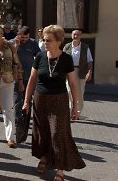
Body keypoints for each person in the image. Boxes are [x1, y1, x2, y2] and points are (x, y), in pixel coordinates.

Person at [22, 25, 86, 181]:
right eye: (43, 39)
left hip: (59, 101)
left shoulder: (66, 59)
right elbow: (31, 80)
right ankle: (43, 158)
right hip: (40, 99)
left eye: (48, 40)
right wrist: (26, 102)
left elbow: (72, 84)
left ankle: (60, 168)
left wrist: (75, 106)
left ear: (58, 41)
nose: (45, 42)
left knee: (58, 133)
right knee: (41, 132)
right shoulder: (40, 56)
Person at [10, 26, 41, 143]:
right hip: (16, 77)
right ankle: (17, 131)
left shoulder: (32, 43)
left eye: (27, 37)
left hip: (30, 77)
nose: (25, 40)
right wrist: (16, 45)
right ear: (18, 35)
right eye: (22, 37)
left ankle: (24, 130)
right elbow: (10, 57)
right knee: (18, 102)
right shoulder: (12, 43)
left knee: (28, 103)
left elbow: (39, 56)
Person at [63, 30, 93, 119]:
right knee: (68, 91)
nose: (76, 36)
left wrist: (89, 72)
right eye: (74, 34)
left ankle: (77, 112)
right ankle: (69, 110)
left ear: (81, 36)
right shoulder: (67, 46)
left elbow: (90, 61)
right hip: (69, 71)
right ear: (71, 35)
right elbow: (62, 59)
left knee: (79, 92)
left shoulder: (85, 47)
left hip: (81, 71)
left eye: (77, 35)